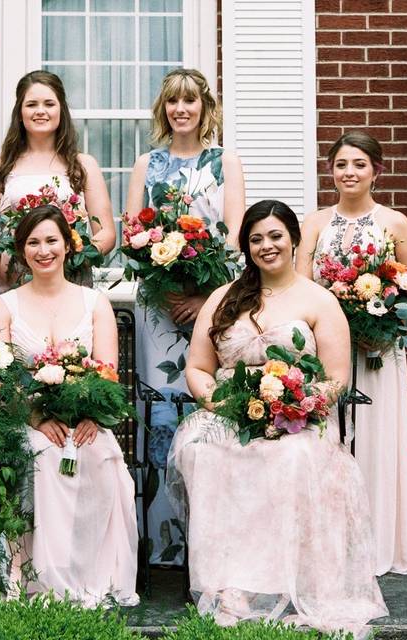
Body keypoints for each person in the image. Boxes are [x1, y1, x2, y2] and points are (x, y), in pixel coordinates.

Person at [166, 200, 387, 633]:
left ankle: (286, 581)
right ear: (247, 248)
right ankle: (227, 583)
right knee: (202, 452)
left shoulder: (319, 300)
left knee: (293, 457)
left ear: (293, 240)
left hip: (299, 416)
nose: (266, 246)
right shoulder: (224, 298)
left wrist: (294, 405)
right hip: (230, 411)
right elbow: (197, 367)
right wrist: (220, 403)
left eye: (275, 236)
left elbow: (337, 378)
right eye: (255, 239)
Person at [0, 205, 138, 607]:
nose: (43, 250)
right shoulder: (4, 306)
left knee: (98, 450)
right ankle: (36, 572)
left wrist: (89, 415)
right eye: (33, 243)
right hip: (26, 418)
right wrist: (35, 417)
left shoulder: (95, 303)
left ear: (68, 245)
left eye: (52, 240)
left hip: (83, 416)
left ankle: (87, 568)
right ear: (21, 251)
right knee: (40, 453)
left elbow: (107, 372)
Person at [123, 67, 245, 567]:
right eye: (173, 102)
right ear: (163, 110)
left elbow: (237, 236)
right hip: (159, 307)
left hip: (214, 305)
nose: (181, 110)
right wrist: (168, 284)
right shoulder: (146, 164)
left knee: (208, 406)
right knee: (160, 410)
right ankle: (162, 547)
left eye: (190, 101)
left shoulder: (225, 162)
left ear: (205, 108)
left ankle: (213, 542)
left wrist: (207, 299)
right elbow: (133, 234)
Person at [296, 131, 407, 576]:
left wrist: (379, 327)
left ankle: (377, 545)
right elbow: (299, 290)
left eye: (359, 165)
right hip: (328, 355)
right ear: (330, 172)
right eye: (341, 165)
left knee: (374, 438)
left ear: (376, 171)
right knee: (328, 440)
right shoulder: (313, 224)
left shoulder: (395, 223)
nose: (349, 172)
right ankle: (330, 545)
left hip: (375, 354)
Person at [0, 70, 116, 300]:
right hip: (12, 285)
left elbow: (106, 232)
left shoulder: (83, 164)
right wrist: (8, 269)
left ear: (61, 110)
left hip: (70, 285)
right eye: (31, 104)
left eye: (49, 103)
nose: (40, 111)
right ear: (20, 112)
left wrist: (68, 265)